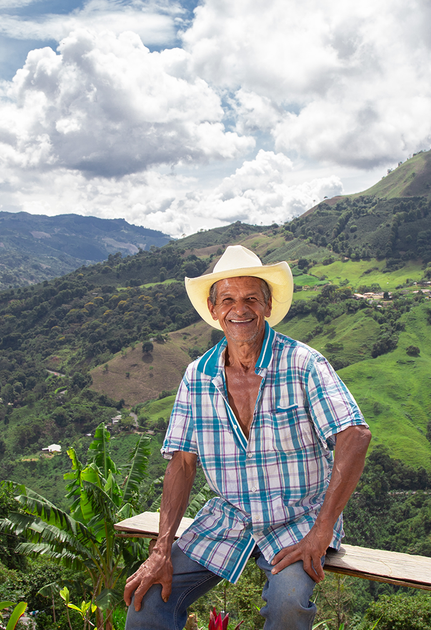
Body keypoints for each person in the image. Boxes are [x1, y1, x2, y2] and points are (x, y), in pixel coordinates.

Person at [124, 245, 371, 630]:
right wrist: (161, 549)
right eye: (228, 299)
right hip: (229, 520)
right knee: (149, 601)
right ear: (213, 309)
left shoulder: (303, 364)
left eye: (251, 298)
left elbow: (354, 434)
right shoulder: (197, 376)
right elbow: (182, 462)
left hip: (297, 521)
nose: (240, 309)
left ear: (268, 305)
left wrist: (322, 531)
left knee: (288, 605)